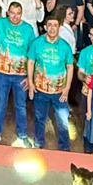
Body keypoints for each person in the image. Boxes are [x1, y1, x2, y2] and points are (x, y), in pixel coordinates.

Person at [0, 1, 36, 146]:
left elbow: (32, 54)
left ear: (22, 14)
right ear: (7, 13)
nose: (15, 16)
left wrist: (30, 77)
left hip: (21, 75)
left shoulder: (28, 29)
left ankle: (22, 134)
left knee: (20, 105)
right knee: (0, 103)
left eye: (18, 13)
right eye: (12, 13)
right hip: (2, 73)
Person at [27, 15, 75, 151]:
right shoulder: (37, 43)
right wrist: (30, 83)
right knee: (39, 118)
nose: (53, 28)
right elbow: (30, 62)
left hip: (59, 92)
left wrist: (67, 88)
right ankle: (38, 143)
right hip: (40, 90)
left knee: (62, 121)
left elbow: (70, 67)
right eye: (50, 25)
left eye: (55, 25)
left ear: (59, 28)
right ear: (45, 27)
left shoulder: (65, 46)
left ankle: (64, 147)